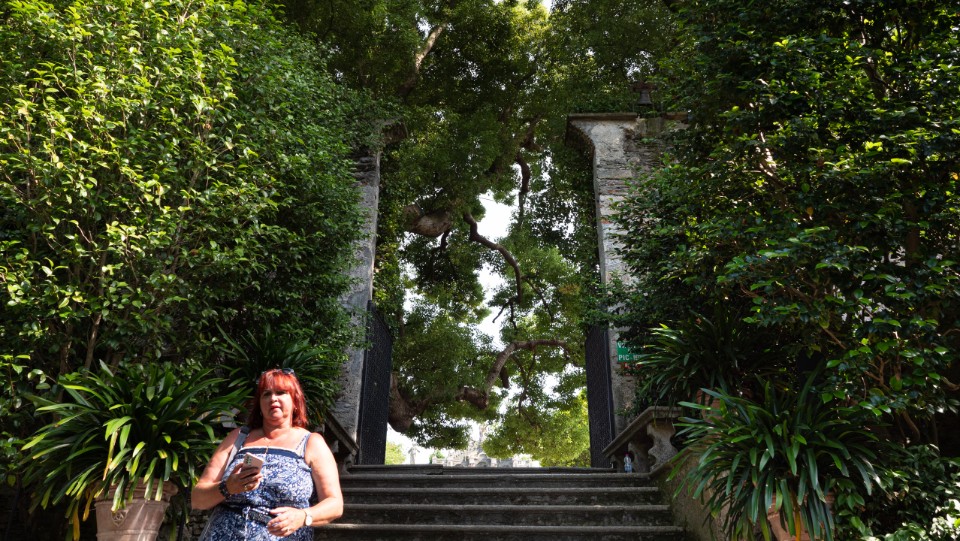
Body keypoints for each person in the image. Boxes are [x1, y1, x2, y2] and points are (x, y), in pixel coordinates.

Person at [192, 368, 343, 539]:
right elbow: (197, 499)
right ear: (259, 404)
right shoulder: (238, 438)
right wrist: (227, 487)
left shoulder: (311, 443)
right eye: (266, 394)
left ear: (295, 401)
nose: (273, 398)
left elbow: (335, 504)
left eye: (281, 392)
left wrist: (303, 516)